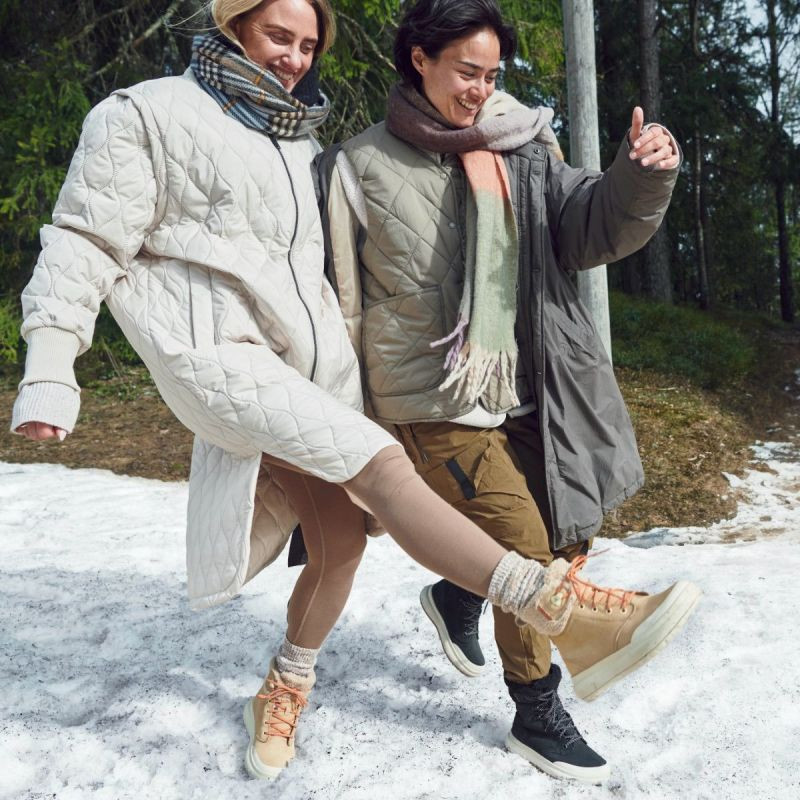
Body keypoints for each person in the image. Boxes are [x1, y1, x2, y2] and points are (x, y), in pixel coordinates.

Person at [10, 0, 699, 786]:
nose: (295, 57)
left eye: (308, 44)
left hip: (413, 377)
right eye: (278, 36)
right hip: (307, 376)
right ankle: (548, 653)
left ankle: (320, 666)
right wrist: (51, 367)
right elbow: (91, 240)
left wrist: (642, 175)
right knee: (449, 502)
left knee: (346, 545)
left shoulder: (324, 141)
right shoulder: (195, 125)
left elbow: (582, 227)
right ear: (232, 25)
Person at [319, 0, 687, 785]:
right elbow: (336, 300)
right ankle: (536, 710)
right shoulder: (357, 164)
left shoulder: (521, 143)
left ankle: (461, 593)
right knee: (527, 548)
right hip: (430, 403)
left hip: (529, 384)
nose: (480, 90)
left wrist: (639, 173)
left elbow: (589, 225)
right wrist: (346, 421)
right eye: (466, 72)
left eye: (490, 74)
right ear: (419, 59)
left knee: (567, 524)